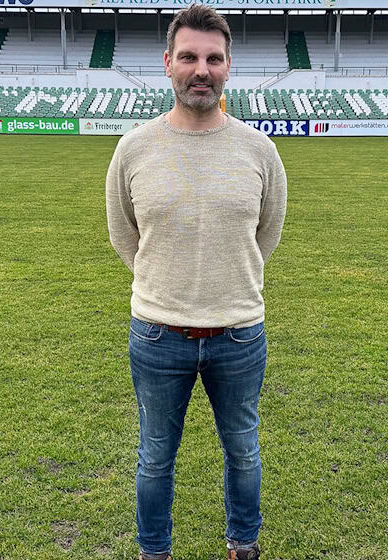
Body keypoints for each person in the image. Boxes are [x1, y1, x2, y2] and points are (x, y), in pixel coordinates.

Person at [105, 4, 287, 559]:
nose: (201, 70)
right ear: (168, 63)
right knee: (155, 456)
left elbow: (266, 232)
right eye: (188, 57)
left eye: (213, 58)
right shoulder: (134, 148)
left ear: (228, 65)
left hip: (239, 334)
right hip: (157, 335)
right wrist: (169, 282)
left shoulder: (259, 150)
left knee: (244, 452)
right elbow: (125, 235)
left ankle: (243, 545)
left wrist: (225, 279)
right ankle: (154, 550)